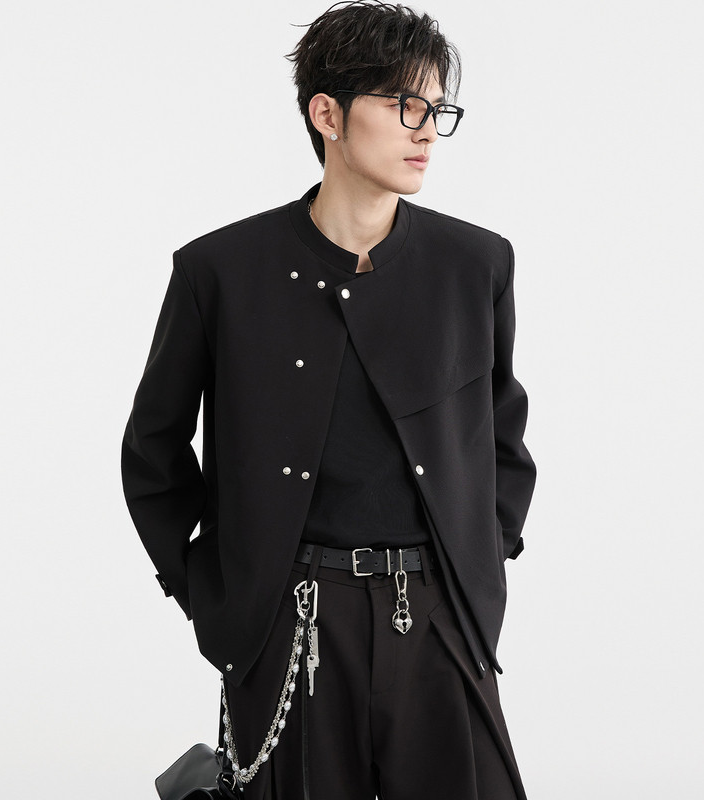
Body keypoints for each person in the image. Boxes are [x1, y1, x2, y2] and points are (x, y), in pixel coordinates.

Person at [120, 1, 537, 797]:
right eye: (404, 104)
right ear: (328, 115)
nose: (427, 130)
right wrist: (214, 592)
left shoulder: (474, 264)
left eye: (438, 109)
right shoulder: (221, 271)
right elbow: (152, 451)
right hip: (291, 623)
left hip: (440, 619)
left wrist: (482, 562)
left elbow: (503, 438)